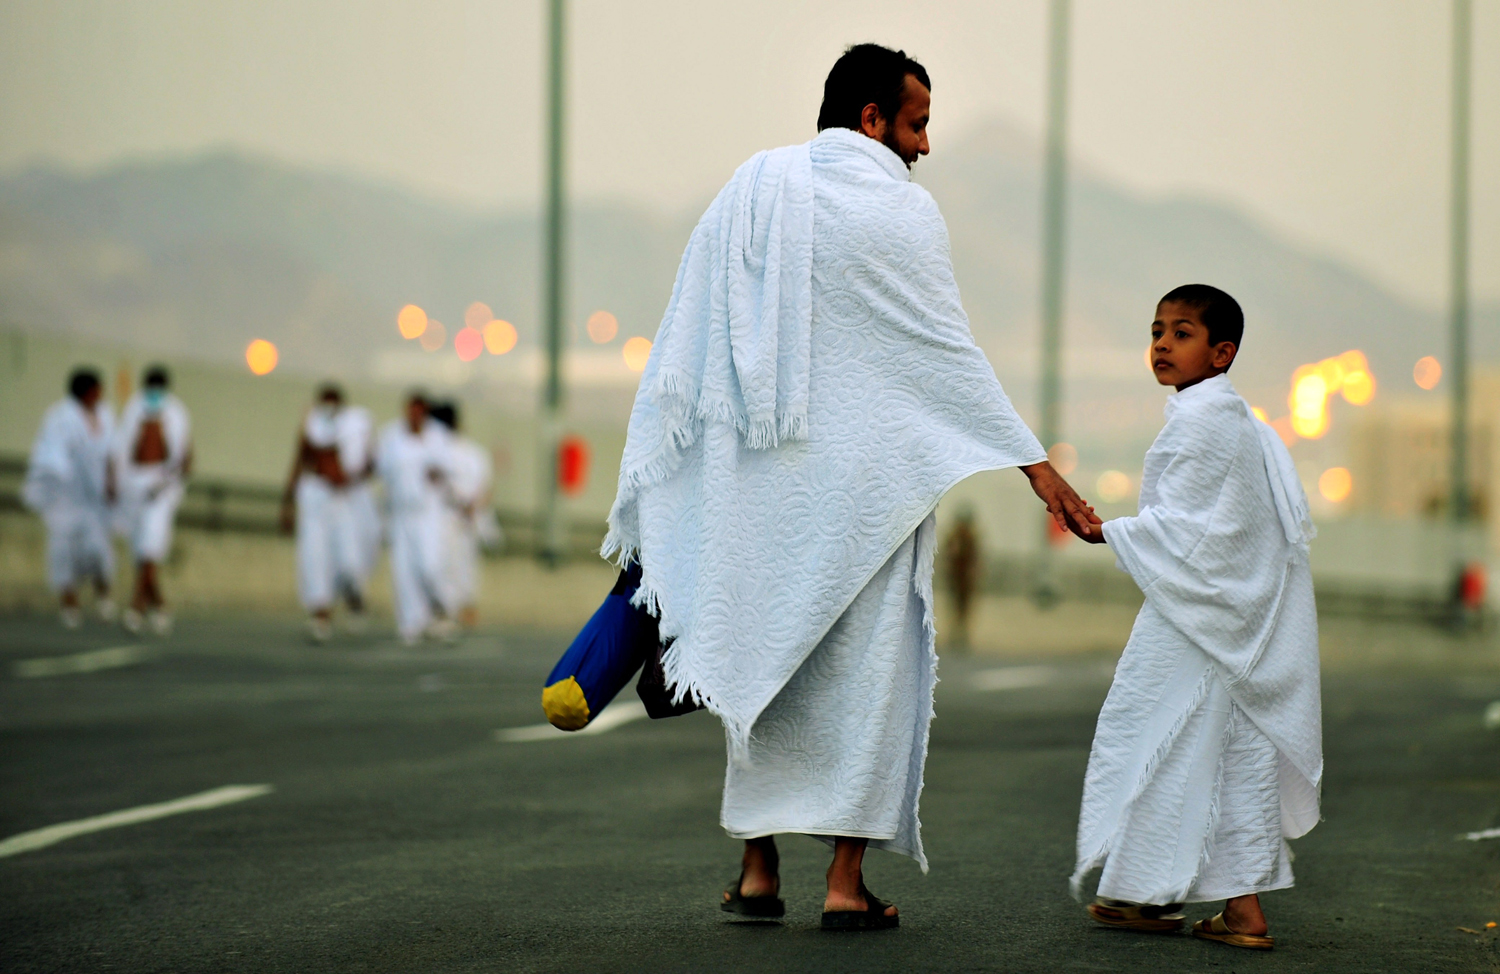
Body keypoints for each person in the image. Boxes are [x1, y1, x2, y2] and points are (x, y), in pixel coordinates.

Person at [603, 43, 1098, 929]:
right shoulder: (901, 214)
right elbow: (943, 352)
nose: (925, 147)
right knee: (868, 682)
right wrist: (1037, 466)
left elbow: (693, 335)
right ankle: (843, 884)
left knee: (760, 666)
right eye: (916, 124)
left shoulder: (750, 190)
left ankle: (758, 873)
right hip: (868, 495)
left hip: (758, 488)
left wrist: (693, 473)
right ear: (872, 119)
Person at [1070, 285, 1322, 952]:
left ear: (1221, 353)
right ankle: (1158, 897)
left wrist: (1110, 534)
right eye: (1156, 330)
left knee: (1162, 738)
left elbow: (1192, 534)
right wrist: (1129, 534)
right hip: (1227, 617)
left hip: (1200, 618)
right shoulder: (1237, 421)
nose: (1160, 343)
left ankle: (1227, 907)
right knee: (1202, 748)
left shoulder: (1203, 421)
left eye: (1181, 332)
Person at [280, 384, 376, 642]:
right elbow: (299, 462)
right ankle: (320, 616)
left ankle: (354, 598)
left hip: (342, 501)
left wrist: (358, 468)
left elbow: (367, 466)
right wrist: (287, 503)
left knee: (348, 561)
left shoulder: (354, 428)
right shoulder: (310, 426)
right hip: (314, 498)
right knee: (314, 558)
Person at [23, 368, 117, 628]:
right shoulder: (60, 417)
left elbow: (110, 452)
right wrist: (57, 476)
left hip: (93, 498)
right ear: (86, 391)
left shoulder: (105, 415)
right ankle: (69, 604)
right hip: (65, 498)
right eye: (97, 389)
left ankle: (104, 598)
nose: (101, 394)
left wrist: (111, 482)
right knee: (62, 552)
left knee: (98, 550)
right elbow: (51, 453)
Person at [114, 365, 192, 635]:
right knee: (140, 550)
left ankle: (136, 606)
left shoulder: (177, 413)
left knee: (151, 546)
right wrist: (116, 481)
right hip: (135, 484)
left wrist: (169, 482)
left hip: (162, 487)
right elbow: (123, 448)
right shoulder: (134, 407)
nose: (154, 393)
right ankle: (159, 605)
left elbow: (183, 454)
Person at [377, 392, 457, 645]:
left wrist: (435, 471)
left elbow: (448, 469)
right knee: (404, 569)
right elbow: (383, 469)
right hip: (401, 512)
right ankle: (411, 622)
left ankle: (442, 608)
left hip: (428, 513)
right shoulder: (391, 435)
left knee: (429, 565)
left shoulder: (437, 435)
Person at [428, 401, 498, 628]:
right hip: (462, 516)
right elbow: (486, 488)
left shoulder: (444, 451)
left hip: (451, 516)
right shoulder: (475, 452)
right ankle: (459, 610)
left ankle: (451, 612)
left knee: (451, 564)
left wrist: (467, 507)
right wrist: (473, 507)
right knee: (461, 565)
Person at [942, 506, 981, 650]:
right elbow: (948, 557)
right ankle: (956, 635)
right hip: (956, 578)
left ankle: (961, 635)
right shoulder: (955, 537)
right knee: (955, 607)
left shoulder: (970, 538)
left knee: (964, 609)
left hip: (966, 580)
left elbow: (975, 560)